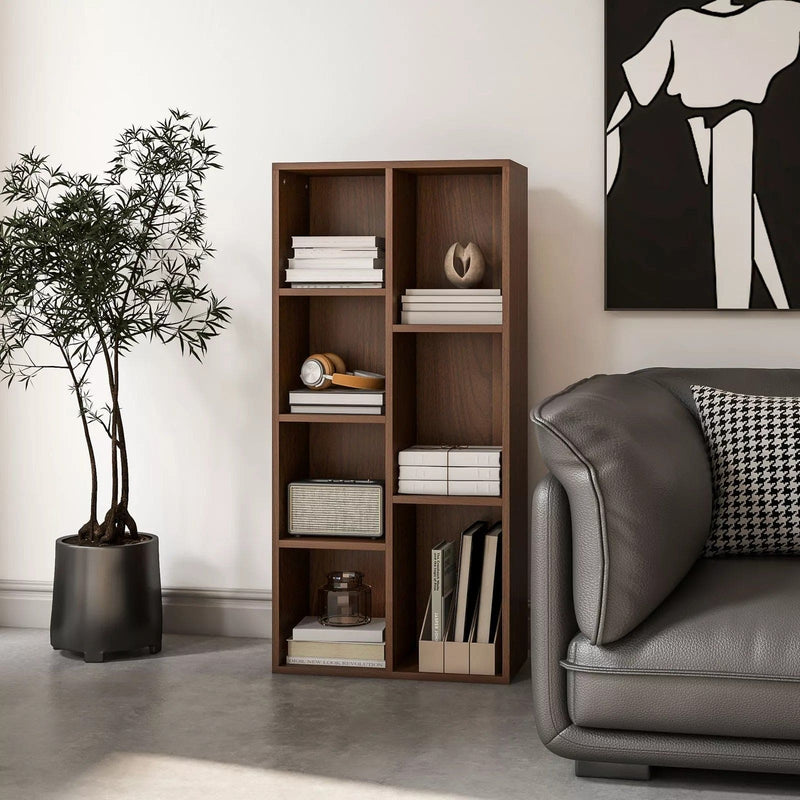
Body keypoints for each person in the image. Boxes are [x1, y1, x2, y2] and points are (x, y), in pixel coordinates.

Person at [607, 0, 800, 308]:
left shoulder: (780, 14)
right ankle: (761, 303)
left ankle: (751, 304)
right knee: (738, 230)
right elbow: (634, 88)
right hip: (713, 128)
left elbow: (634, 89)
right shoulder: (682, 23)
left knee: (738, 228)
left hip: (732, 126)